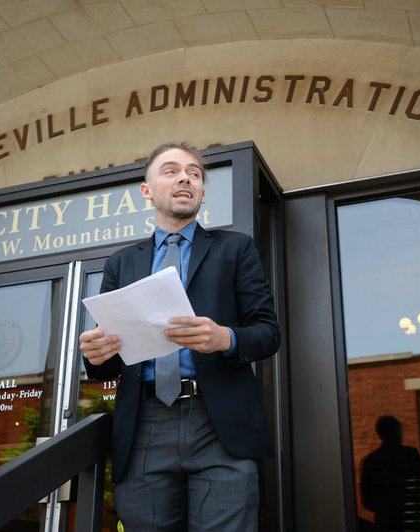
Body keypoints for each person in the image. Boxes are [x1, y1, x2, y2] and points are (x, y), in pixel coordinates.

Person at [79, 142, 280, 531]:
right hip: (145, 425)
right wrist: (97, 354)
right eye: (170, 170)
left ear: (202, 192)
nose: (185, 177)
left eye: (194, 173)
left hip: (218, 422)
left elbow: (268, 333)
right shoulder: (121, 263)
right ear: (147, 190)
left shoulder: (236, 248)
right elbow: (111, 366)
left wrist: (225, 338)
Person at [360, 416, 420, 531]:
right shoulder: (410, 455)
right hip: (411, 520)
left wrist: (384, 508)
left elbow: (367, 498)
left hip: (386, 522)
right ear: (397, 431)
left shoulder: (372, 460)